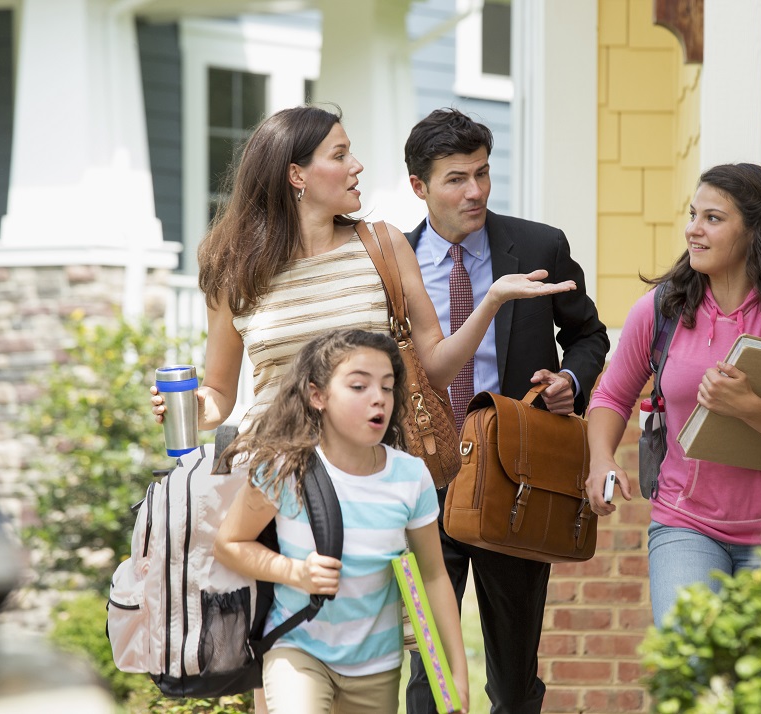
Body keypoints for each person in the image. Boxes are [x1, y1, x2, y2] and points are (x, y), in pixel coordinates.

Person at [150, 104, 571, 712]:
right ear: (297, 174)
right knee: (282, 679)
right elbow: (220, 393)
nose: (358, 166)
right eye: (340, 154)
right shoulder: (231, 263)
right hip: (276, 493)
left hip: (371, 500)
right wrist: (188, 408)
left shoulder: (382, 245)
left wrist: (493, 301)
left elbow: (434, 366)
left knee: (367, 682)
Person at [402, 108, 610, 714]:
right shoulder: (394, 263)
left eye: (483, 174)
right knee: (429, 678)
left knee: (515, 680)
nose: (475, 191)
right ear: (419, 186)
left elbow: (589, 336)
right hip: (422, 484)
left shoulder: (539, 245)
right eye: (456, 179)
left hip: (514, 478)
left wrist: (571, 379)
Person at [583, 163, 761, 627]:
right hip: (685, 524)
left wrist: (751, 408)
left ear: (756, 232)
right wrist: (601, 459)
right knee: (692, 674)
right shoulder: (661, 310)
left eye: (713, 219)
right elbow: (611, 396)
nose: (693, 230)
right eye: (692, 215)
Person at [214, 329, 469, 713]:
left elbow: (434, 577)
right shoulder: (284, 469)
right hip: (297, 648)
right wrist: (294, 572)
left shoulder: (410, 476)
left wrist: (458, 677)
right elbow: (229, 544)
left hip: (377, 665)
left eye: (387, 387)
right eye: (359, 386)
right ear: (318, 396)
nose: (378, 398)